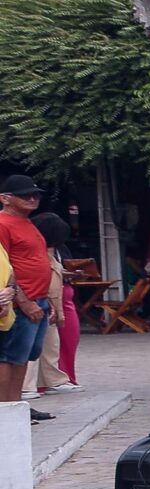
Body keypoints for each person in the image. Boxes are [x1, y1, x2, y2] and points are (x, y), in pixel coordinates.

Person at [0, 176, 58, 417]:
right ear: (5, 198)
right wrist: (22, 301)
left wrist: (48, 300)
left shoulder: (27, 222)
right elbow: (5, 266)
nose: (32, 198)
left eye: (35, 195)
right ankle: (6, 409)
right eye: (25, 195)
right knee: (9, 356)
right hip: (18, 301)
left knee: (24, 356)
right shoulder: (3, 223)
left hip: (39, 298)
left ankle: (17, 407)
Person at [32, 211, 78, 394]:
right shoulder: (37, 249)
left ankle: (58, 379)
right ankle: (33, 384)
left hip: (60, 298)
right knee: (36, 346)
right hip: (46, 297)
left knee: (56, 344)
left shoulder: (57, 250)